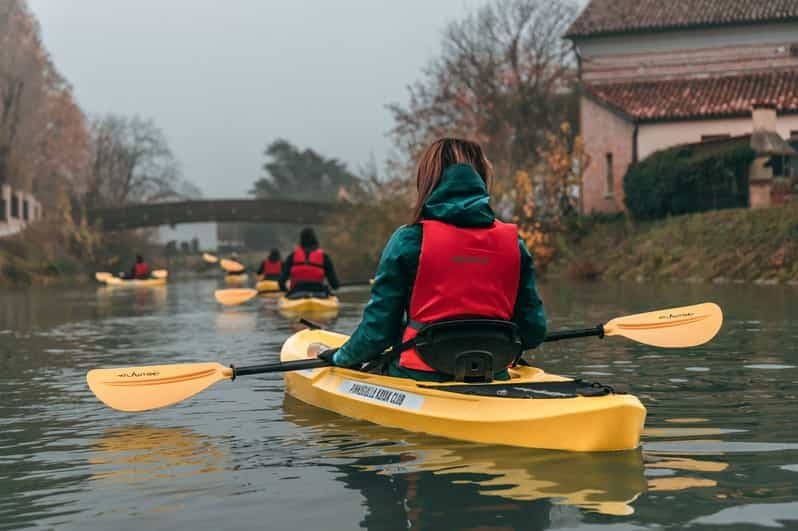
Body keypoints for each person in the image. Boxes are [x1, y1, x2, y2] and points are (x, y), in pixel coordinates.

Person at [319, 138, 546, 382]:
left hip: (418, 373)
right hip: (494, 373)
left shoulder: (408, 240)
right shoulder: (514, 244)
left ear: (427, 181)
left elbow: (378, 334)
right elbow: (533, 333)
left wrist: (341, 358)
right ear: (482, 178)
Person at [279, 228, 340, 295]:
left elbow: (281, 282)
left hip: (296, 294)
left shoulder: (292, 256)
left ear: (301, 240)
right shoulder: (324, 257)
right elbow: (335, 285)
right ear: (315, 239)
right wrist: (334, 287)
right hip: (319, 294)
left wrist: (286, 291)